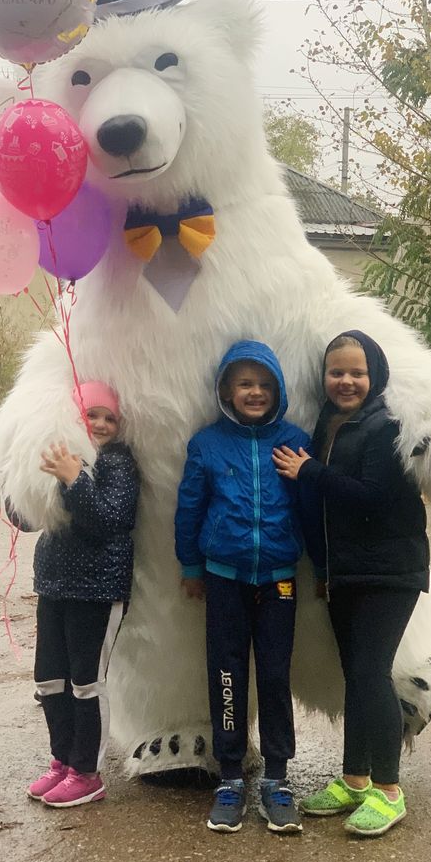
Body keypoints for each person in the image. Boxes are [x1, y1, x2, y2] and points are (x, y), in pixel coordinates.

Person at [272, 330, 430, 837]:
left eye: (356, 373)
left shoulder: (385, 426)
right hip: (346, 571)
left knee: (370, 676)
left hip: (389, 571)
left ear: (375, 375)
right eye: (336, 372)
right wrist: (324, 571)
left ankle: (388, 791)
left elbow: (375, 497)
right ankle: (355, 778)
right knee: (354, 678)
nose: (345, 381)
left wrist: (310, 471)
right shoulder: (328, 423)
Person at [175, 341, 310, 833]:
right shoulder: (207, 444)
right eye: (245, 383)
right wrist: (190, 564)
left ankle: (277, 779)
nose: (255, 392)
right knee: (226, 675)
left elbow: (309, 509)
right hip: (224, 579)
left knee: (275, 676)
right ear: (227, 391)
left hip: (279, 582)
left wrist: (324, 569)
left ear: (277, 390)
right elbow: (189, 507)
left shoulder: (295, 440)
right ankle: (230, 778)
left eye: (265, 384)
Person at [8, 381, 139, 809]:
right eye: (91, 415)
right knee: (49, 679)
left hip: (98, 591)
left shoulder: (118, 463)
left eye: (109, 417)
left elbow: (107, 520)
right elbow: (26, 520)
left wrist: (74, 479)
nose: (100, 424)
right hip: (53, 586)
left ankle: (87, 772)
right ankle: (61, 761)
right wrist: (16, 479)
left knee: (86, 683)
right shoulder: (60, 455)